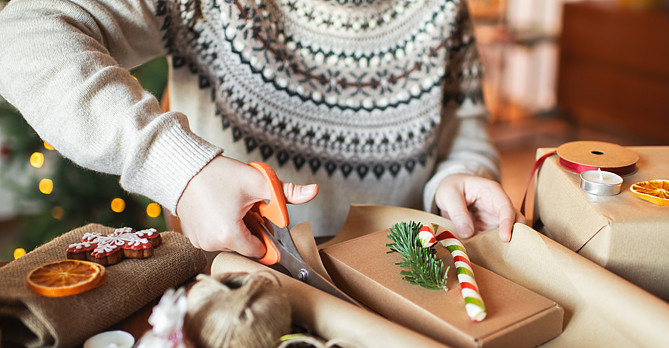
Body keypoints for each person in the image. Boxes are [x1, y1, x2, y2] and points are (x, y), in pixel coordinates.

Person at [0, 0, 523, 260]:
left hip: (400, 280)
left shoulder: (442, 9)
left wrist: (460, 174)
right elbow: (24, 35)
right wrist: (180, 167)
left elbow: (464, 132)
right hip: (238, 285)